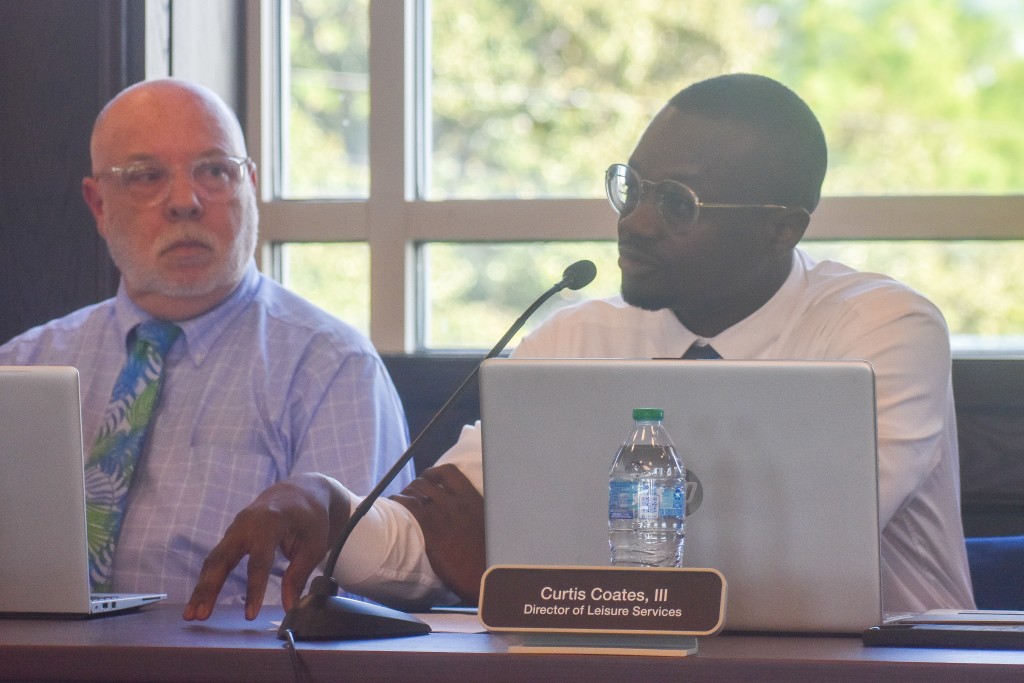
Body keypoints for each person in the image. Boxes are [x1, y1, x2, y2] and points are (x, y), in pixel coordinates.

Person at [184, 73, 975, 621]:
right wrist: (337, 511)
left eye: (677, 203)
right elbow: (435, 534)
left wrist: (516, 559)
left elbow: (795, 548)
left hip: (877, 662)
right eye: (633, 186)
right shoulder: (577, 333)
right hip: (627, 660)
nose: (634, 220)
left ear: (781, 228)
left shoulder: (882, 329)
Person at [0, 78, 412, 613]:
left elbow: (352, 609)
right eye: (147, 176)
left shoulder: (332, 369)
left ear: (251, 186)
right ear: (98, 204)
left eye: (215, 171)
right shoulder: (24, 366)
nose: (185, 202)